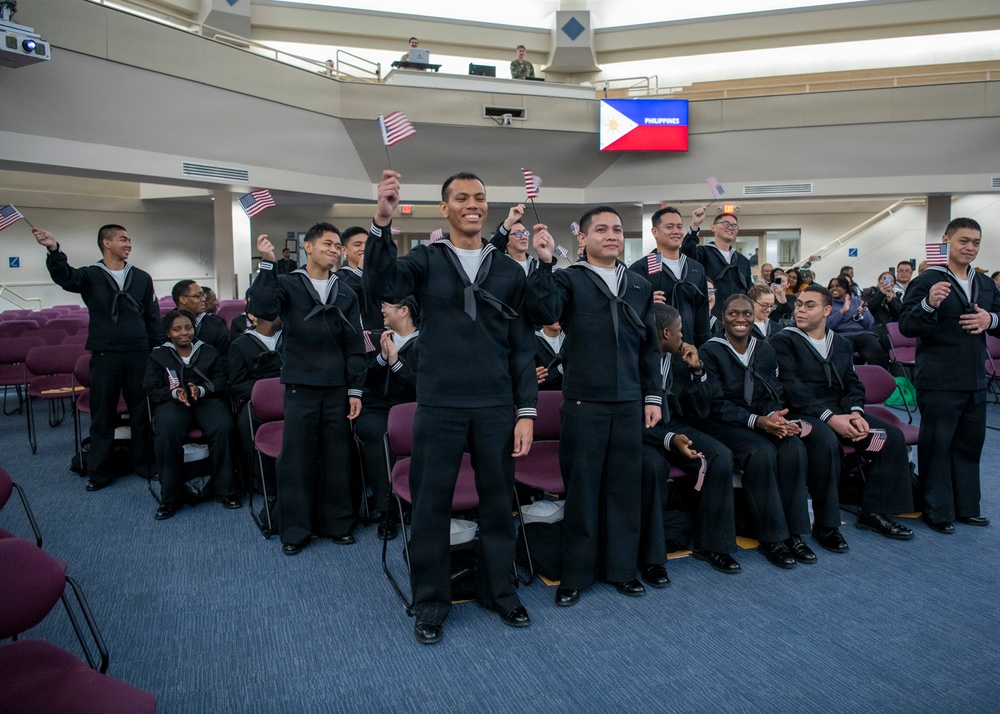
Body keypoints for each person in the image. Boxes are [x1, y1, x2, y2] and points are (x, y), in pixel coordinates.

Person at [365, 170, 537, 645]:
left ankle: (499, 591)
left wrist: (527, 411)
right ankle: (432, 601)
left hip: (496, 405)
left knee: (500, 505)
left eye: (479, 197)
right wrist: (382, 221)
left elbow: (522, 346)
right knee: (431, 507)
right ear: (445, 209)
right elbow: (381, 282)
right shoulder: (425, 259)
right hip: (439, 404)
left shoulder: (507, 269)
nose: (472, 204)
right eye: (461, 198)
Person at [529, 205, 662, 606]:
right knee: (583, 490)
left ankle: (621, 570)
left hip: (628, 403)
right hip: (584, 401)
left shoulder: (638, 284)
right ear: (582, 239)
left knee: (624, 491)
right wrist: (544, 262)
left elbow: (649, 347)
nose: (611, 235)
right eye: (601, 229)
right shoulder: (569, 279)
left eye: (617, 230)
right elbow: (545, 312)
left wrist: (652, 396)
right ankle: (577, 574)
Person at [248, 222, 366, 556]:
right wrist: (267, 263)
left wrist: (355, 389)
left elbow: (354, 344)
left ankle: (338, 523)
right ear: (308, 247)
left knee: (337, 458)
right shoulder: (288, 283)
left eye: (337, 246)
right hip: (300, 386)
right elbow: (264, 308)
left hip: (336, 388)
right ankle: (295, 529)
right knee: (297, 460)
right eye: (327, 243)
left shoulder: (345, 291)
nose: (334, 249)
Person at [772, 284, 915, 545]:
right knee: (826, 442)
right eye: (798, 304)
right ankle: (827, 525)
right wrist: (831, 418)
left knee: (889, 437)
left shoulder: (840, 343)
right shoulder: (783, 340)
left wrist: (856, 413)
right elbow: (793, 389)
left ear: (827, 310)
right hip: (804, 414)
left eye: (809, 305)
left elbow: (852, 384)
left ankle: (874, 511)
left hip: (843, 414)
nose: (800, 310)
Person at [33, 225, 159, 492]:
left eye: (130, 239)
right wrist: (54, 249)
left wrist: (157, 351)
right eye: (123, 239)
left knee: (141, 414)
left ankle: (144, 464)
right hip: (105, 355)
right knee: (103, 415)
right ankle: (99, 472)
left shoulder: (141, 277)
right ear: (106, 243)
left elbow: (152, 317)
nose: (129, 244)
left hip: (139, 355)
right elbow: (64, 277)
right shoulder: (90, 275)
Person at [900, 217, 999, 534]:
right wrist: (929, 305)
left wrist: (990, 319)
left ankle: (967, 507)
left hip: (975, 378)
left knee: (970, 445)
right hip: (940, 379)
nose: (970, 247)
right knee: (938, 445)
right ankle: (937, 510)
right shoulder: (929, 280)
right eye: (964, 241)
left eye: (976, 242)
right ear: (947, 241)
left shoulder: (984, 284)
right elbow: (907, 326)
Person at [700, 295, 813, 569]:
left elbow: (771, 392)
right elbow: (715, 405)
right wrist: (756, 421)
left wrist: (774, 415)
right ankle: (772, 537)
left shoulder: (764, 350)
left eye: (747, 314)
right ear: (722, 316)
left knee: (792, 446)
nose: (740, 319)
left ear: (755, 316)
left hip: (759, 419)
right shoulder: (710, 351)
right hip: (723, 423)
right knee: (760, 451)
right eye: (733, 314)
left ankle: (795, 533)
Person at [643, 303, 741, 574]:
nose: (683, 337)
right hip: (643, 433)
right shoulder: (635, 359)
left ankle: (714, 545)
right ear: (664, 333)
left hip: (676, 428)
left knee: (720, 456)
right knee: (653, 466)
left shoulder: (680, 359)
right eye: (679, 331)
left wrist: (698, 371)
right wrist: (669, 438)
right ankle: (651, 556)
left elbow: (699, 409)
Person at [143, 310, 240, 520]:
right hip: (173, 404)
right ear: (168, 333)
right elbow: (151, 388)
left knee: (223, 427)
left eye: (188, 327)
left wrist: (201, 389)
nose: (184, 333)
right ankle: (170, 498)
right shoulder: (159, 355)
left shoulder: (208, 351)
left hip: (206, 401)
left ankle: (226, 491)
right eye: (177, 329)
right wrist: (173, 393)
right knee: (167, 432)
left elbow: (221, 381)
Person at [354, 296, 420, 541]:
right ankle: (388, 510)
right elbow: (362, 379)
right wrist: (382, 358)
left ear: (404, 311)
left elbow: (421, 386)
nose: (381, 309)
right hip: (378, 409)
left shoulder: (426, 342)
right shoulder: (374, 338)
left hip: (411, 409)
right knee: (377, 433)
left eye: (387, 306)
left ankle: (416, 501)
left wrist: (396, 363)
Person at [228, 311, 283, 519]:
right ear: (256, 315)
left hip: (293, 398)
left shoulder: (289, 337)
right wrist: (268, 392)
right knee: (246, 424)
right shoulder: (240, 344)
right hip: (256, 403)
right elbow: (237, 384)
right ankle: (266, 485)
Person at [628, 206, 710, 347]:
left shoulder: (695, 268)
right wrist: (646, 304)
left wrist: (703, 348)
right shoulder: (642, 268)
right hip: (655, 349)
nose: (676, 232)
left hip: (689, 347)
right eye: (669, 227)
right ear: (655, 232)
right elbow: (629, 311)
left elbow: (702, 314)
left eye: (679, 227)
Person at [682, 208, 752, 317]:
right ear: (713, 228)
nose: (730, 227)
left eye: (734, 226)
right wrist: (695, 225)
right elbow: (686, 253)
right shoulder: (702, 253)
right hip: (710, 314)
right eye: (726, 223)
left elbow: (749, 290)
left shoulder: (742, 261)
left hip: (738, 316)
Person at [826, 276, 888, 368]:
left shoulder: (857, 301)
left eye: (837, 286)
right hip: (841, 335)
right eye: (831, 287)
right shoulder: (828, 305)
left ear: (845, 288)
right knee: (844, 355)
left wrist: (860, 316)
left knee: (876, 352)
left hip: (862, 333)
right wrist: (842, 310)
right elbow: (828, 325)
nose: (834, 289)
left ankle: (879, 378)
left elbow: (870, 323)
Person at [336, 226, 384, 330]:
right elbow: (343, 296)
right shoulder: (338, 277)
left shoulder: (376, 275)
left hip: (380, 334)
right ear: (344, 250)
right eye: (357, 245)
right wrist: (360, 270)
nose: (363, 248)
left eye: (367, 244)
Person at [171, 280, 230, 361]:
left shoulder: (216, 324)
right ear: (183, 299)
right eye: (198, 296)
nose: (203, 300)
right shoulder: (166, 324)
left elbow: (224, 358)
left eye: (203, 296)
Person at [862, 271, 901, 356]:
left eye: (891, 280)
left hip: (893, 330)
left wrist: (891, 302)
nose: (886, 282)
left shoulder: (896, 296)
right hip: (877, 329)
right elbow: (868, 308)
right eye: (884, 279)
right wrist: (880, 294)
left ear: (893, 284)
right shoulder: (870, 293)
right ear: (879, 281)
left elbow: (899, 315)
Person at [534, 322, 564, 391]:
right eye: (553, 312)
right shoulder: (531, 340)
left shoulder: (572, 338)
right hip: (541, 393)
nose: (558, 316)